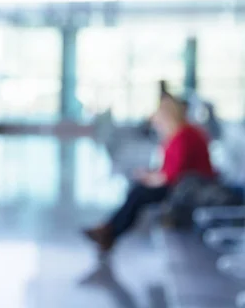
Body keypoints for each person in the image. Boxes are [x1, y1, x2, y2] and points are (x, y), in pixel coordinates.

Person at [83, 94, 214, 253]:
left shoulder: (184, 136)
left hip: (191, 188)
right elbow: (170, 169)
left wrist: (150, 178)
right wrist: (150, 175)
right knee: (138, 190)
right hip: (184, 184)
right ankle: (109, 230)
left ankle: (109, 231)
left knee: (139, 193)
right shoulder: (178, 134)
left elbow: (173, 176)